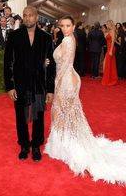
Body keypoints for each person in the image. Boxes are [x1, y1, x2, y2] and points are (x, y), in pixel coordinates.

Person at [44, 15, 126, 184]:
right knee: (67, 114)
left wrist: (56, 86)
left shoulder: (67, 40)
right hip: (69, 78)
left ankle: (62, 146)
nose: (65, 28)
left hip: (66, 80)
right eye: (62, 25)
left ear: (73, 26)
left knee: (59, 112)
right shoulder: (69, 38)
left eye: (68, 25)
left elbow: (65, 65)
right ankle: (67, 141)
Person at [4, 6, 56, 161]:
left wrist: (50, 89)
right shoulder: (14, 36)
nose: (27, 18)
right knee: (21, 116)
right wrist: (10, 85)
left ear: (37, 17)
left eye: (30, 15)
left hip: (39, 85)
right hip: (20, 84)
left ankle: (36, 146)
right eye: (25, 16)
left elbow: (51, 64)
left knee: (39, 116)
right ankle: (24, 145)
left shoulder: (46, 37)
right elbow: (8, 62)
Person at [102, 20, 118, 86]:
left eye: (107, 24)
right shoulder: (109, 31)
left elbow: (113, 42)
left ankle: (110, 79)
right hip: (109, 48)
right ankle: (108, 78)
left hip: (111, 48)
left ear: (110, 24)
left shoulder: (112, 31)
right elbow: (107, 39)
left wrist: (111, 50)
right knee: (107, 63)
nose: (106, 25)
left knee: (108, 63)